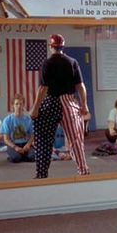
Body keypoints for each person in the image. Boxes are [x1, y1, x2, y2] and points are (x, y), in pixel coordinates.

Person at [30, 34, 90, 179]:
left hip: (51, 101)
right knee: (76, 139)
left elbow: (43, 89)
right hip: (69, 102)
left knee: (44, 139)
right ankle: (83, 170)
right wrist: (84, 105)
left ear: (51, 46)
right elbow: (80, 86)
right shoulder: (72, 61)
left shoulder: (47, 63)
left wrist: (36, 107)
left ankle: (41, 174)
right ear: (63, 47)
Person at [1, 94, 35, 162]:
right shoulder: (7, 120)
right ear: (13, 105)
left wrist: (28, 145)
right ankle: (17, 156)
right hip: (13, 144)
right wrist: (15, 147)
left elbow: (33, 135)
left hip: (25, 144)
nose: (19, 106)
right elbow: (6, 139)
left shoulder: (28, 120)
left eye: (21, 104)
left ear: (23, 105)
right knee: (16, 158)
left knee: (33, 157)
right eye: (16, 104)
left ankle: (22, 155)